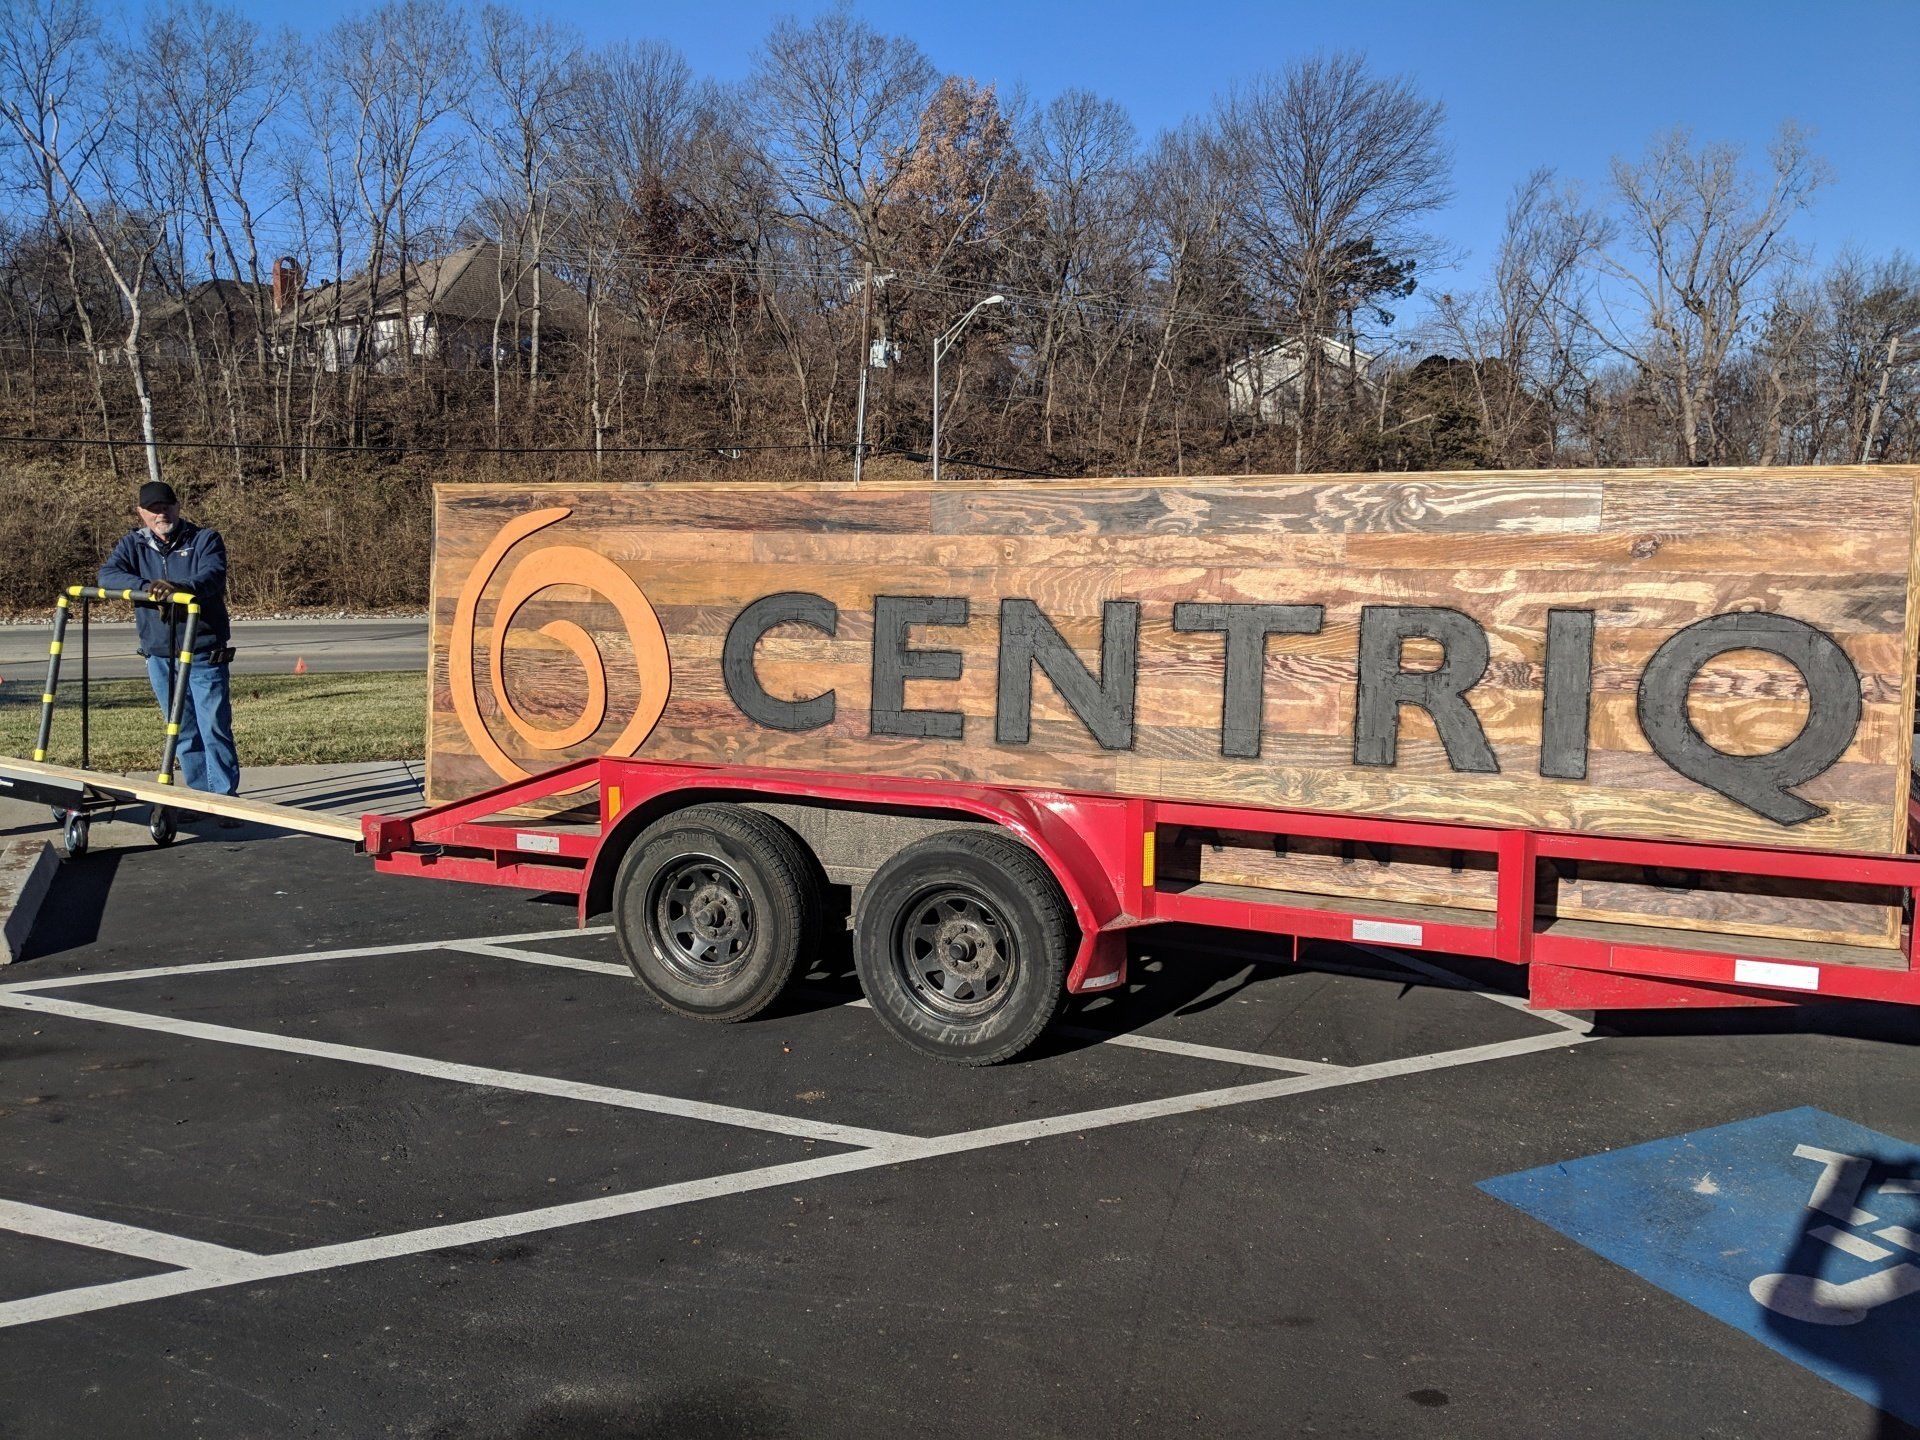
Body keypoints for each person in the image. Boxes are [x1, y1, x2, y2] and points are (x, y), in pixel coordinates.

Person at [98, 480, 240, 802]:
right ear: (141, 513)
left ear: (177, 507)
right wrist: (149, 587)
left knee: (214, 728)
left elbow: (212, 577)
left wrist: (177, 587)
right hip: (160, 655)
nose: (161, 514)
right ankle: (198, 796)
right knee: (183, 730)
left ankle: (225, 800)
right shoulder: (133, 545)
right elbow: (107, 576)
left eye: (166, 506)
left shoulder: (204, 539)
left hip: (203, 651)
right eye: (153, 509)